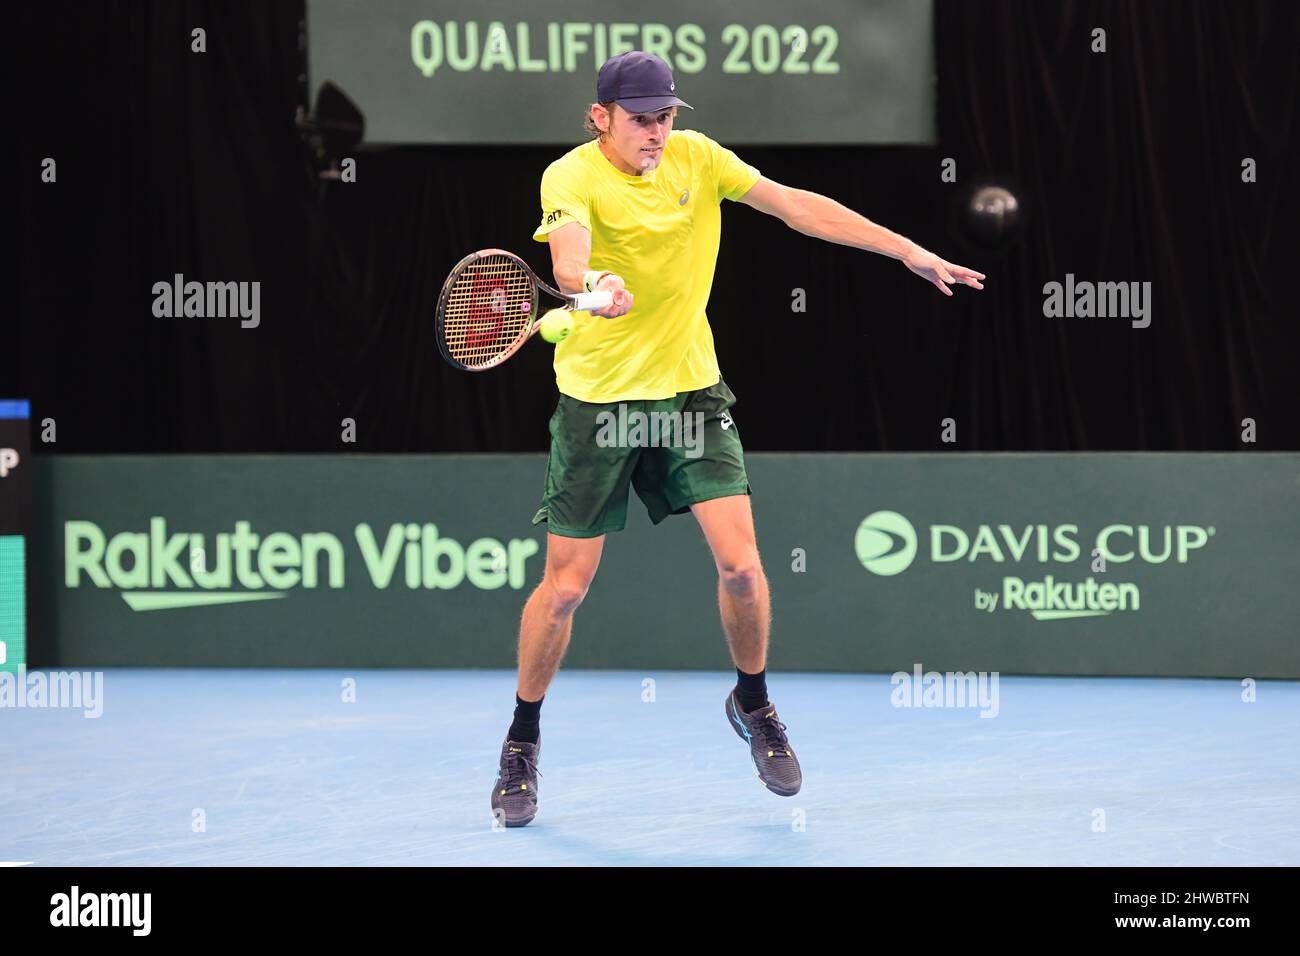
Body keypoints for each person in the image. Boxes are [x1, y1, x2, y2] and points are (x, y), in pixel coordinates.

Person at [492, 51, 985, 827]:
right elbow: (572, 263)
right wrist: (596, 293)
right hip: (600, 403)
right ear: (601, 118)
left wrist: (906, 249)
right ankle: (521, 741)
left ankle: (752, 703)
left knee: (745, 570)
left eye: (665, 116)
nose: (656, 132)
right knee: (565, 591)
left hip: (690, 391)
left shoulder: (698, 156)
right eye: (640, 119)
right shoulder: (571, 178)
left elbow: (796, 206)